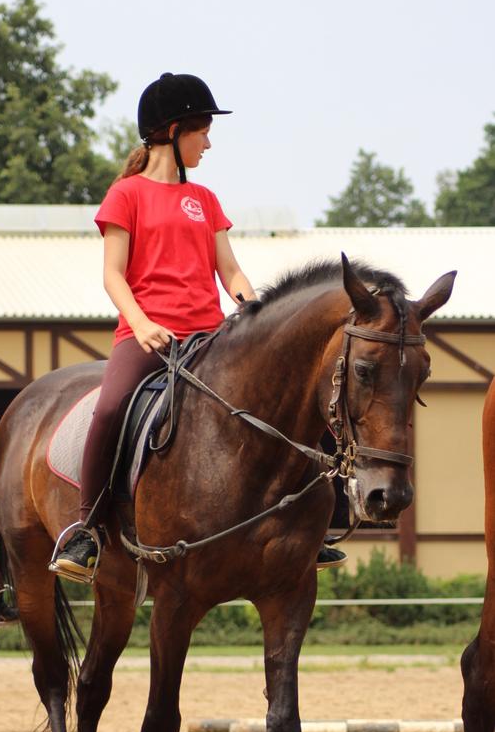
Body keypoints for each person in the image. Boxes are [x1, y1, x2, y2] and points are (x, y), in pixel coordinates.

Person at [53, 72, 346, 580]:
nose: (208, 144)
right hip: (148, 336)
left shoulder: (205, 199)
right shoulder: (126, 194)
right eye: (202, 132)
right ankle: (87, 530)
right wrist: (141, 323)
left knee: (284, 399)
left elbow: (229, 270)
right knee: (110, 409)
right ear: (172, 131)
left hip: (210, 335)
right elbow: (112, 275)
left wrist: (253, 308)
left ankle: (304, 523)